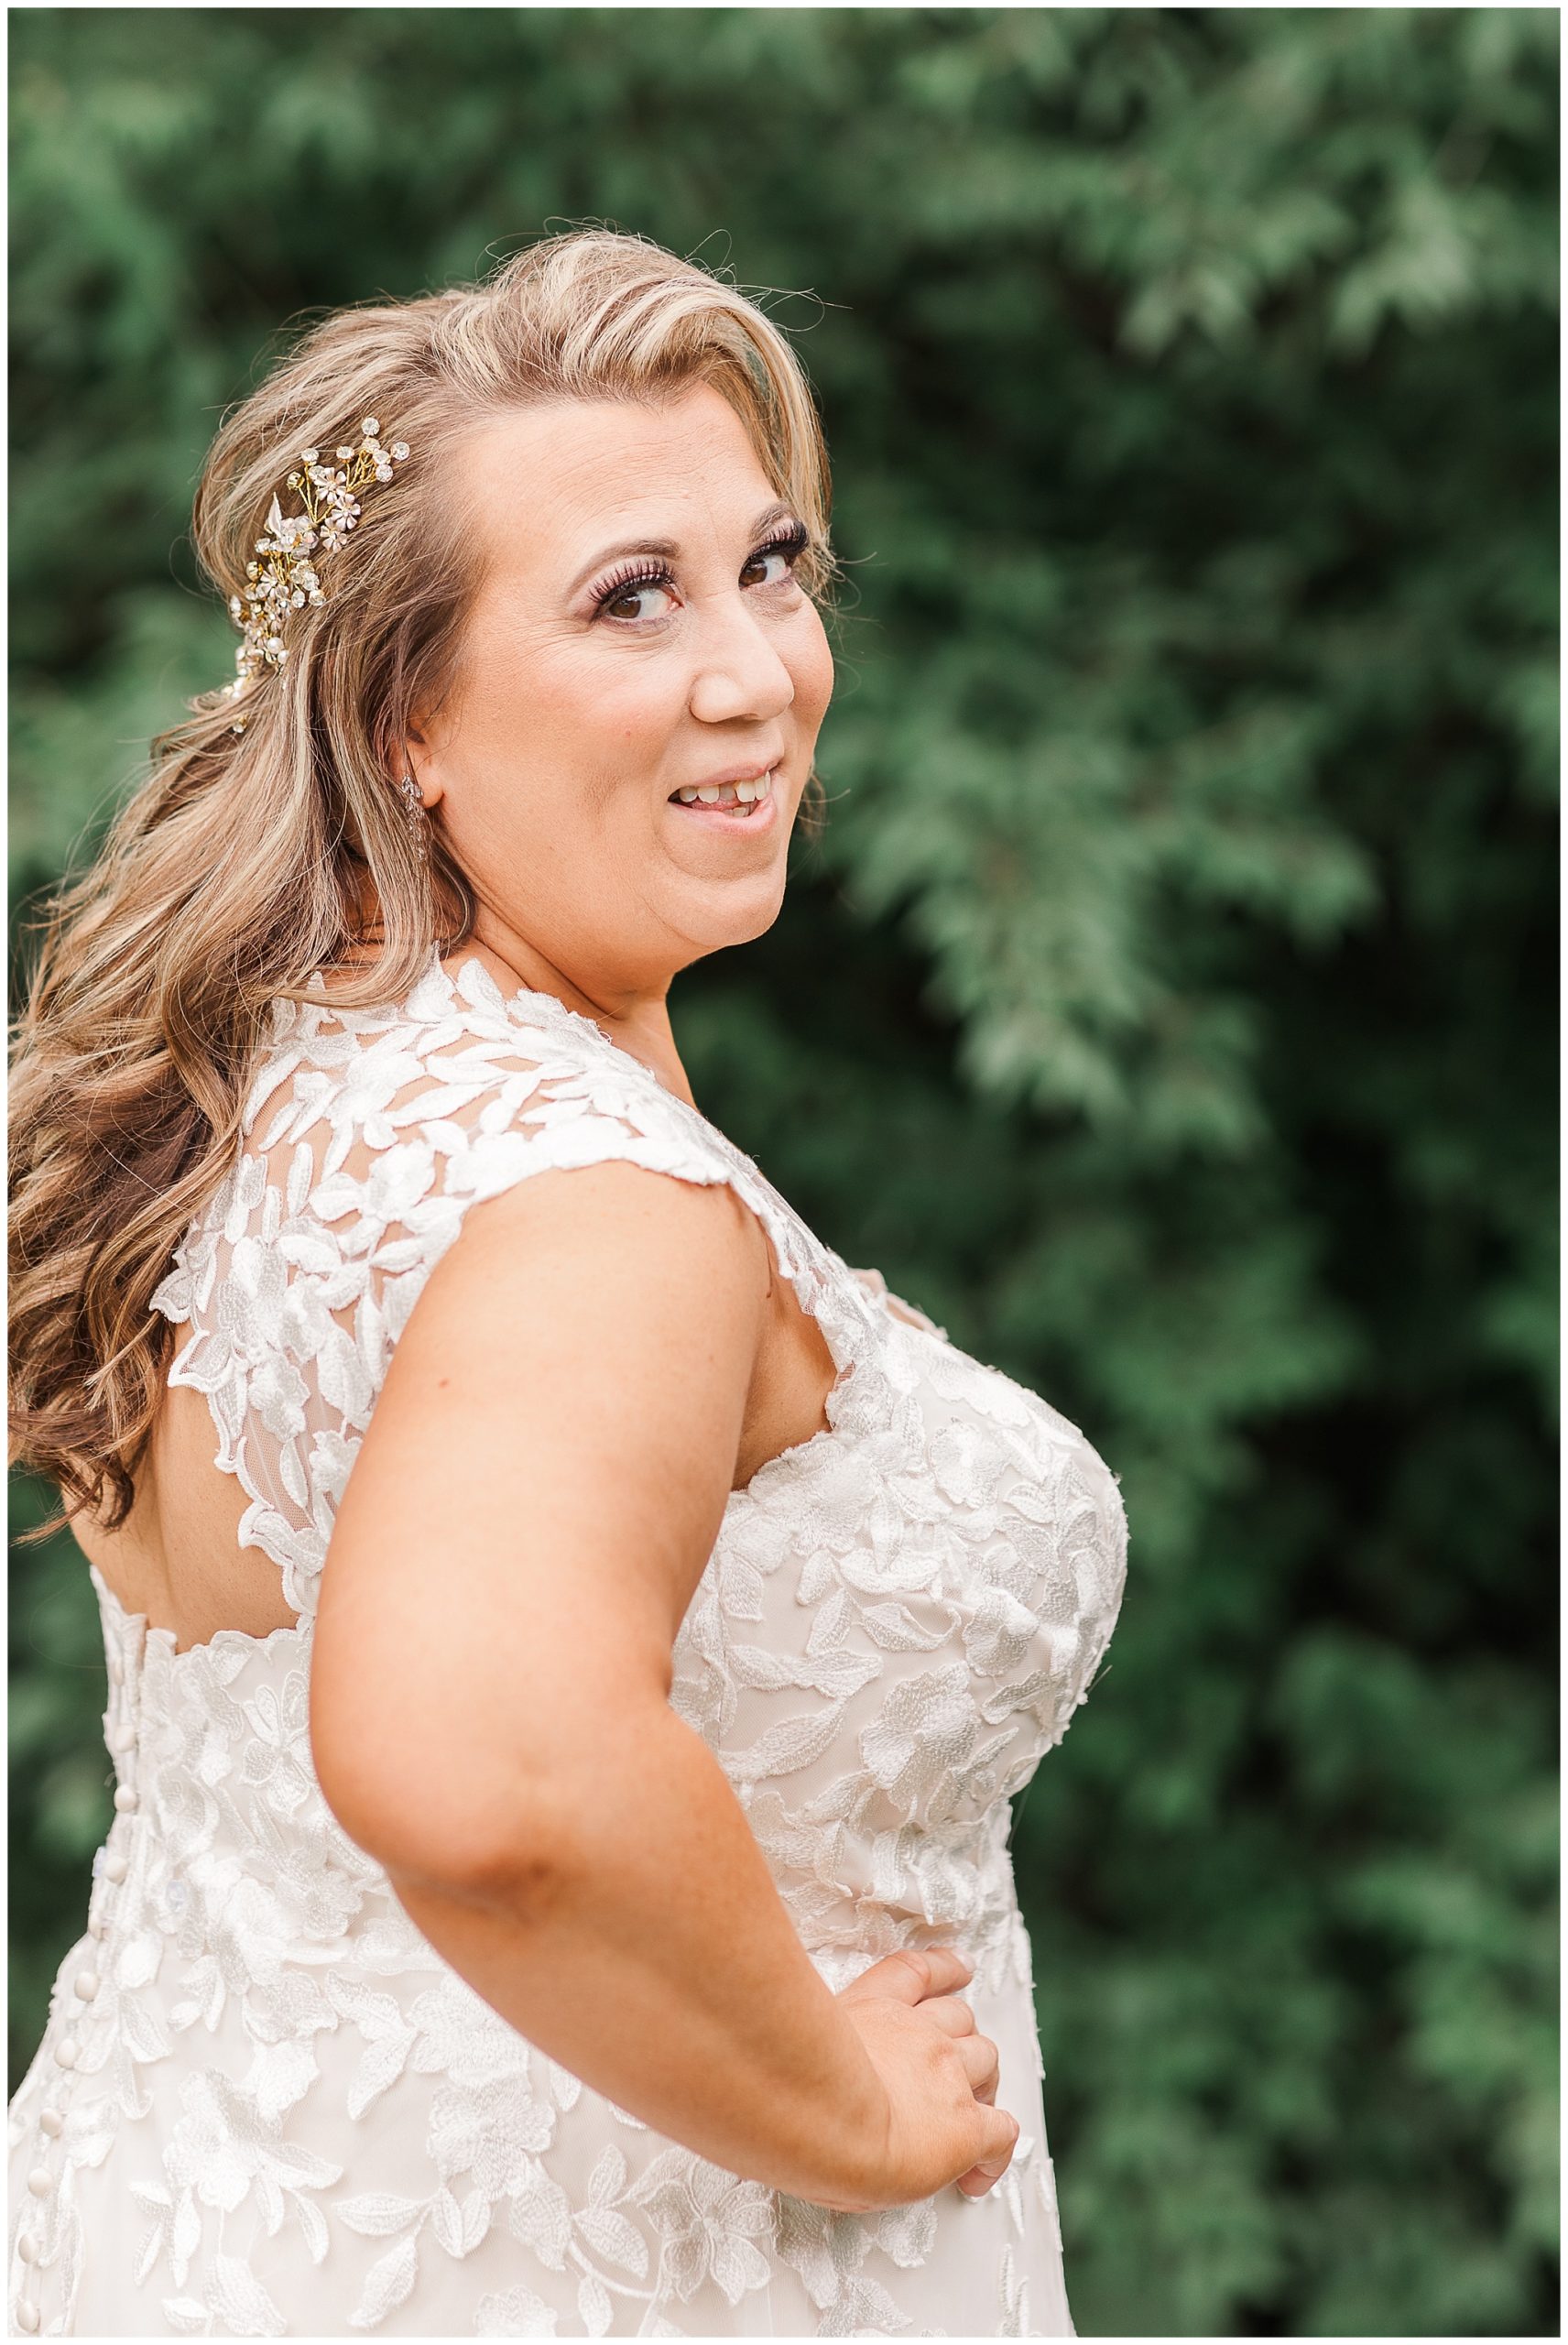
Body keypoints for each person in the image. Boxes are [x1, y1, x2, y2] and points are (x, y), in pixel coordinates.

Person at [6, 226, 1128, 2338]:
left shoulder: (239, 1104)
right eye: (633, 597)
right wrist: (848, 2115)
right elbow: (487, 1772)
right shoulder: (585, 1198)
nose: (757, 671)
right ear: (405, 717)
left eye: (770, 567)